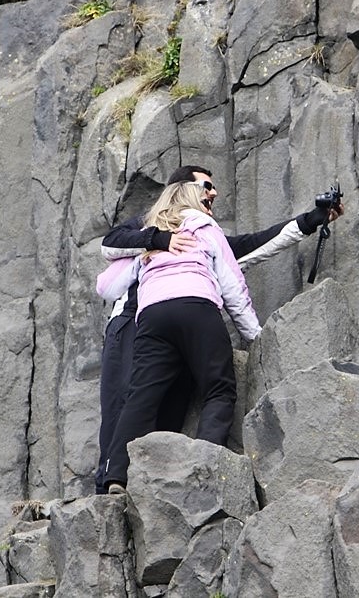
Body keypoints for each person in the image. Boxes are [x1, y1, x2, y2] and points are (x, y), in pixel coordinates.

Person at [93, 165, 342, 493]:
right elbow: (111, 243)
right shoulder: (154, 224)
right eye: (206, 186)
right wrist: (160, 239)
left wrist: (310, 220)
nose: (213, 193)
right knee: (165, 394)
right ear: (183, 188)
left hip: (152, 320)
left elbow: (250, 245)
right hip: (133, 319)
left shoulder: (190, 228)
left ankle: (129, 482)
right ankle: (190, 472)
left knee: (158, 402)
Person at [101, 182, 261, 492]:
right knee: (218, 388)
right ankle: (203, 466)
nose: (210, 199)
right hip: (196, 305)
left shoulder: (149, 236)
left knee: (142, 396)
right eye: (206, 194)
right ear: (192, 200)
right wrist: (255, 337)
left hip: (152, 316)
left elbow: (106, 285)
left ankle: (117, 474)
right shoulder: (204, 226)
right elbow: (233, 287)